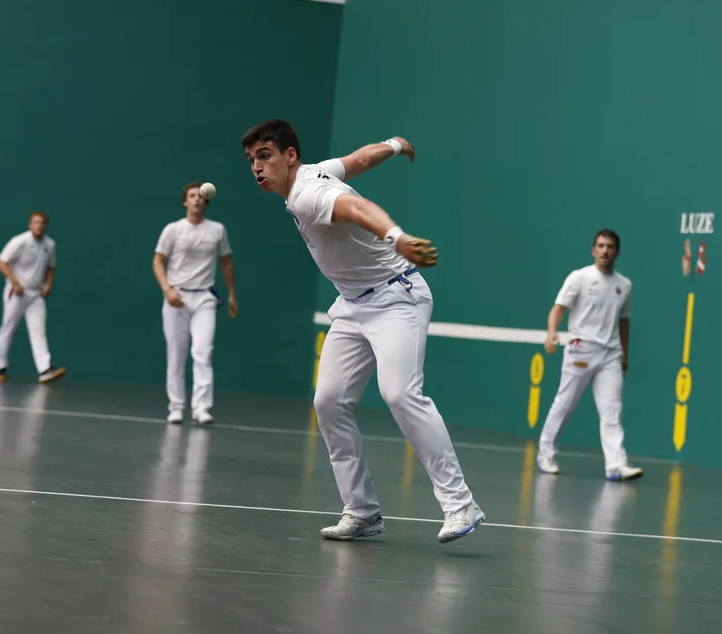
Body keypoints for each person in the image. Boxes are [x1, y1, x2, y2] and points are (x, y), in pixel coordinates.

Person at [240, 118, 484, 544]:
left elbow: (357, 209)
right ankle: (362, 511)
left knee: (400, 394)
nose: (257, 167)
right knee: (329, 401)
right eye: (251, 160)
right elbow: (359, 159)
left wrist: (396, 237)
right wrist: (395, 144)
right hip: (353, 304)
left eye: (265, 156)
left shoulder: (308, 194)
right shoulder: (318, 172)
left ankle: (460, 503)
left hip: (396, 297)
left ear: (289, 156)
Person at [537, 229, 642, 481]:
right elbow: (558, 309)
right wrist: (552, 333)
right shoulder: (579, 278)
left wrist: (624, 355)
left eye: (610, 247)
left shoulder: (624, 285)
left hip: (611, 355)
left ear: (617, 252)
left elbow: (624, 322)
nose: (605, 251)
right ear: (593, 250)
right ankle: (545, 454)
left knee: (612, 409)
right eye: (601, 246)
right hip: (581, 349)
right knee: (565, 404)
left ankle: (616, 465)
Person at [153, 182, 237, 425]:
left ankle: (201, 409)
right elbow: (157, 261)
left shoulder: (217, 230)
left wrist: (232, 294)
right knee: (176, 356)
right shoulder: (173, 229)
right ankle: (176, 407)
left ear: (206, 201)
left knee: (203, 352)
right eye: (192, 196)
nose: (197, 199)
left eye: (200, 196)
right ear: (185, 201)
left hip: (204, 299)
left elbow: (226, 263)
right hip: (176, 298)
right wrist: (167, 290)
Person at [0, 211, 66, 384]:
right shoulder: (19, 241)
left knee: (38, 330)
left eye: (42, 223)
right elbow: (1, 262)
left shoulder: (50, 244)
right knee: (8, 328)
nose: (39, 226)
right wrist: (15, 281)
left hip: (35, 295)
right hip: (16, 292)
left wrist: (48, 285)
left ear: (46, 226)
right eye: (36, 222)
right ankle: (0, 368)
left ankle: (45, 369)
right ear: (30, 224)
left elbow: (51, 267)